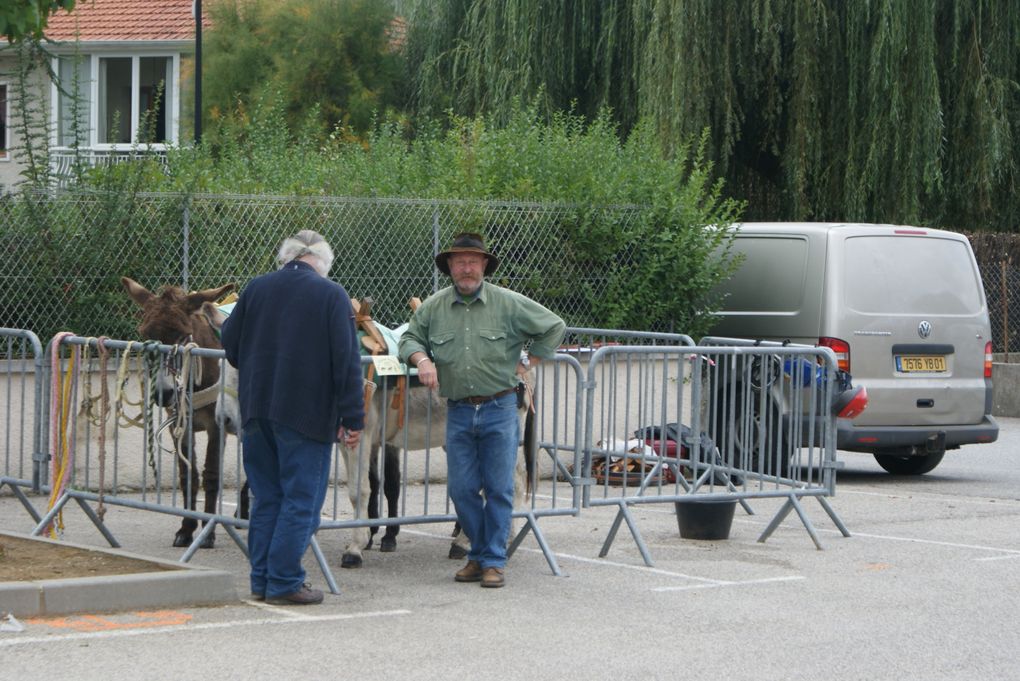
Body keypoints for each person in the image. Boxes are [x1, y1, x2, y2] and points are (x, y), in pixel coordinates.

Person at [399, 232, 565, 588]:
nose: (467, 268)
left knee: (500, 488)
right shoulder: (434, 306)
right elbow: (410, 338)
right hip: (457, 410)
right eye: (459, 262)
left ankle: (490, 561)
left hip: (501, 407)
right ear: (450, 268)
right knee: (461, 488)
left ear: (485, 265)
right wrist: (422, 359)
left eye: (473, 261)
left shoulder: (509, 303)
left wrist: (528, 359)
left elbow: (554, 327)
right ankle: (480, 552)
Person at [221, 230, 364, 605]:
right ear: (323, 264)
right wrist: (353, 418)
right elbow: (347, 364)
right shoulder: (331, 294)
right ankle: (285, 580)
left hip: (255, 409)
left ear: (285, 258)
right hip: (307, 413)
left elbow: (231, 345)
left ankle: (262, 579)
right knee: (301, 501)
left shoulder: (255, 289)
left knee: (267, 498)